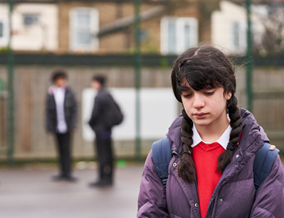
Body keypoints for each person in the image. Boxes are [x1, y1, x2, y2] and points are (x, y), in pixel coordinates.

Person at [137, 45, 284, 217]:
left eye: (208, 92)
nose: (197, 103)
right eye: (188, 95)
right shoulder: (161, 156)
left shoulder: (263, 160)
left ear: (228, 91)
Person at [46, 71, 78, 182]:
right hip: (57, 126)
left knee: (67, 150)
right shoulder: (51, 92)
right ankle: (62, 172)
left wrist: (73, 125)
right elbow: (48, 111)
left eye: (63, 79)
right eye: (59, 79)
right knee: (59, 150)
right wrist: (50, 127)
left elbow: (74, 110)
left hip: (67, 127)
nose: (61, 81)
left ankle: (68, 172)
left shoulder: (69, 92)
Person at [88, 75, 116, 187]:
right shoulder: (108, 94)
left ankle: (102, 178)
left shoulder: (99, 96)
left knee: (102, 155)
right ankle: (109, 177)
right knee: (109, 154)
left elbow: (94, 114)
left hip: (100, 130)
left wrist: (89, 123)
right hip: (108, 130)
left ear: (97, 83)